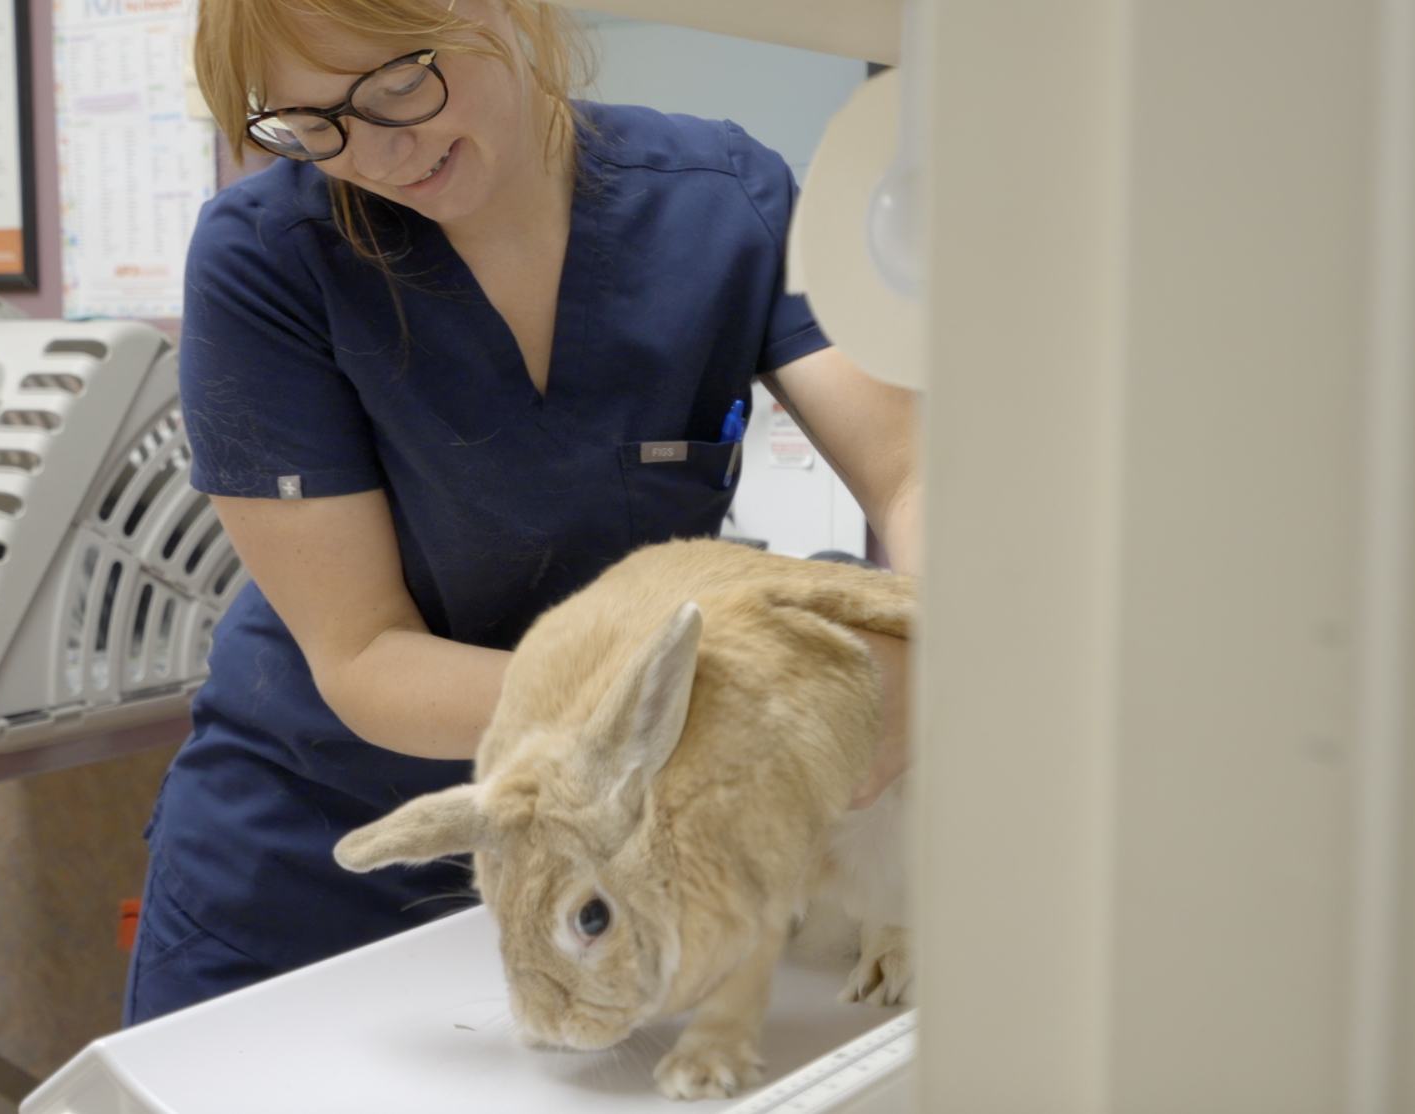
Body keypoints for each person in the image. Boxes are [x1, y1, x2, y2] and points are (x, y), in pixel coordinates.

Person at [123, 0, 921, 1024]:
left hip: (607, 863)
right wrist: (678, 721)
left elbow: (906, 477)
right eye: (311, 123)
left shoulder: (724, 203)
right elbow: (365, 654)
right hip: (314, 847)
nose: (376, 150)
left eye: (401, 83)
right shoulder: (269, 255)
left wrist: (922, 642)